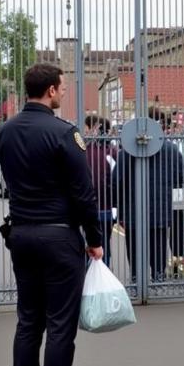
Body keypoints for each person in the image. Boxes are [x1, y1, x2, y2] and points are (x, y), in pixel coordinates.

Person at [0, 63, 103, 366]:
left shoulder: (4, 132)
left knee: (28, 322)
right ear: (52, 91)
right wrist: (94, 237)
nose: (63, 93)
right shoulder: (64, 133)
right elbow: (83, 193)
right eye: (62, 88)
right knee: (59, 325)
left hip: (21, 235)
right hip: (58, 238)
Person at [116, 106, 184, 282]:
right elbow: (182, 177)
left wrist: (120, 207)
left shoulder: (127, 150)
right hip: (161, 208)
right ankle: (158, 277)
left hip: (132, 209)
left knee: (133, 246)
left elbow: (117, 180)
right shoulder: (171, 149)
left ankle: (135, 278)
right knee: (159, 245)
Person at [84, 114, 117, 266]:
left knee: (85, 244)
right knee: (104, 244)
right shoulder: (112, 152)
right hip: (106, 207)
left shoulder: (84, 151)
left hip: (85, 207)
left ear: (94, 129)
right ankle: (103, 277)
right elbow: (117, 180)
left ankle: (85, 279)